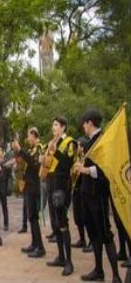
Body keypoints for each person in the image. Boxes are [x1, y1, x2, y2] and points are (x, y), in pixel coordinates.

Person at [75, 109, 122, 283]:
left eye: (84, 123)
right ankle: (99, 270)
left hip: (98, 196)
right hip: (87, 194)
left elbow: (105, 169)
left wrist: (85, 169)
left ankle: (116, 275)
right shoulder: (89, 142)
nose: (83, 126)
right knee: (94, 235)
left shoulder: (103, 140)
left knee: (105, 234)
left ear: (89, 123)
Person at [45, 116, 77, 276]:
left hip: (62, 187)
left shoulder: (70, 142)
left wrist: (54, 151)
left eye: (56, 125)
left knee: (63, 222)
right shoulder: (53, 143)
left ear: (63, 127)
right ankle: (61, 256)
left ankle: (69, 262)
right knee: (55, 222)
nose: (53, 128)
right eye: (53, 125)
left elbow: (67, 163)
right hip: (52, 184)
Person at [12, 127, 46, 258]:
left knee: (33, 217)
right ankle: (34, 243)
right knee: (31, 217)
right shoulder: (32, 149)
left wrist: (20, 149)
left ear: (34, 135)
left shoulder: (39, 148)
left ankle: (40, 247)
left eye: (29, 136)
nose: (27, 138)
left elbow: (34, 163)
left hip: (34, 186)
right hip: (28, 186)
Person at [71, 137, 88, 249]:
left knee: (86, 217)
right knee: (77, 217)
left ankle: (91, 241)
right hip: (75, 190)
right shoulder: (76, 159)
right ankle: (82, 239)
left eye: (80, 146)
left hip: (83, 191)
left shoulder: (86, 159)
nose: (78, 148)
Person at [0, 146, 11, 232]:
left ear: (2, 152)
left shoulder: (6, 162)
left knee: (4, 206)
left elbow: (9, 175)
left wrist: (8, 186)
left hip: (3, 187)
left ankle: (6, 223)